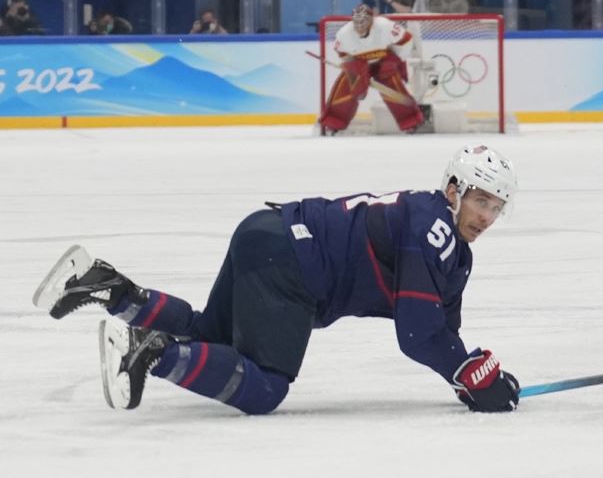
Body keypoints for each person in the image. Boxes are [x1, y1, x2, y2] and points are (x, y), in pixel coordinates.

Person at [33, 144, 521, 415]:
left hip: (266, 233)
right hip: (291, 262)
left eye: (496, 207)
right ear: (453, 190)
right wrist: (466, 373)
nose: (487, 216)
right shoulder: (434, 230)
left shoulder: (447, 243)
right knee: (265, 387)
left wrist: (473, 380)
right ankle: (152, 351)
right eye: (480, 200)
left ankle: (109, 287)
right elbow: (417, 334)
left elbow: (441, 331)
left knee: (210, 335)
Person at [319, 3, 425, 134]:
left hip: (384, 59)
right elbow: (343, 54)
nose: (359, 25)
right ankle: (333, 123)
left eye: (363, 20)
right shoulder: (344, 34)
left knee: (393, 85)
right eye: (356, 21)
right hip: (359, 63)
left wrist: (395, 60)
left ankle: (411, 122)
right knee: (346, 87)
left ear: (371, 19)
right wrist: (354, 70)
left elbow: (406, 40)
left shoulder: (384, 26)